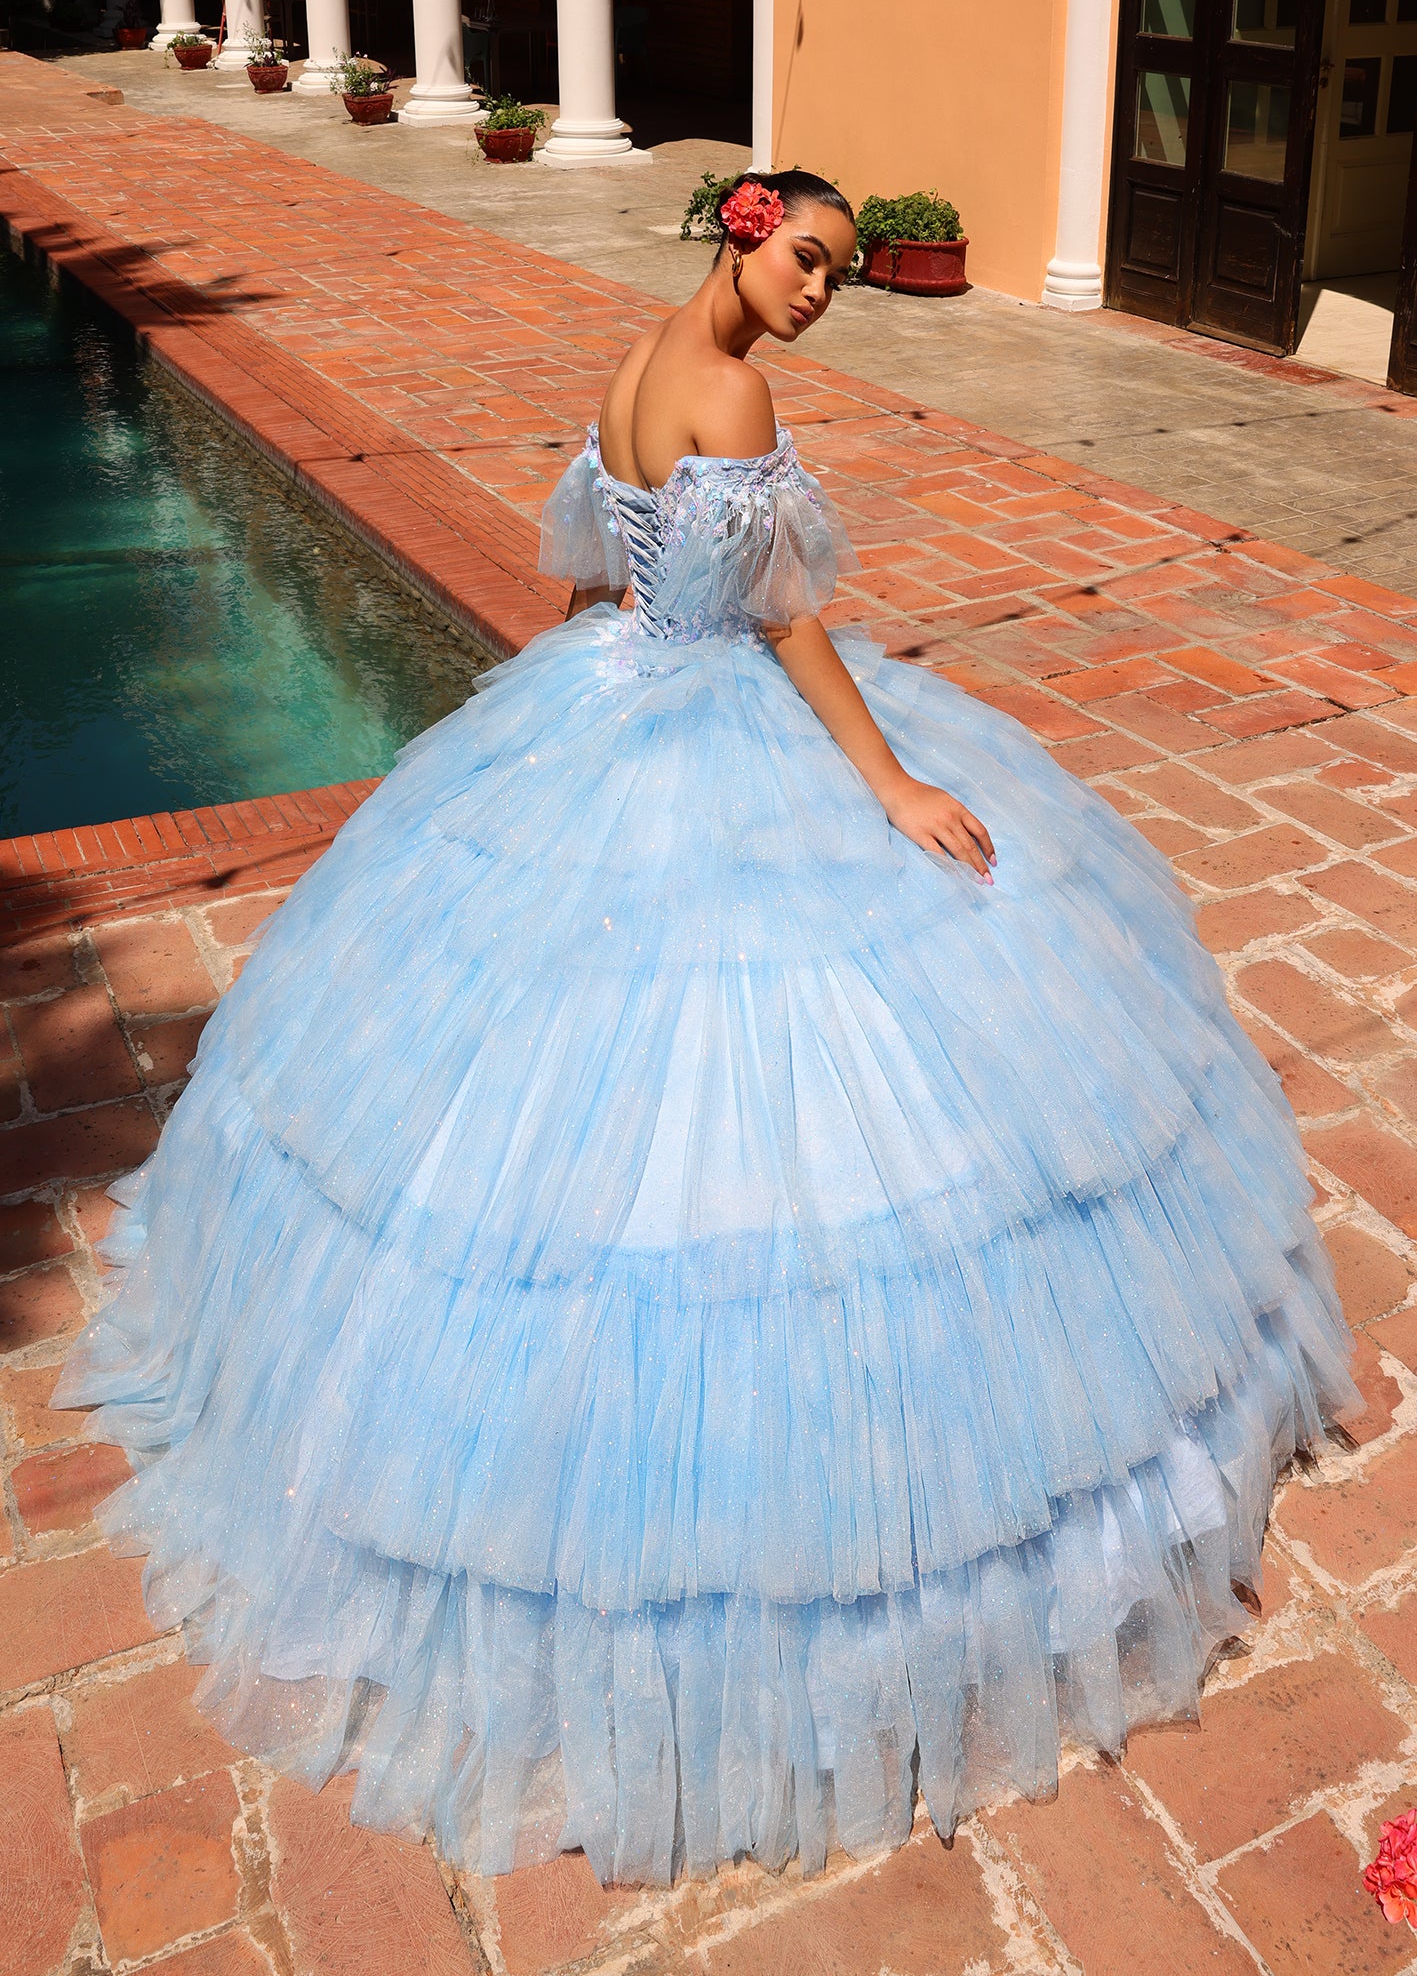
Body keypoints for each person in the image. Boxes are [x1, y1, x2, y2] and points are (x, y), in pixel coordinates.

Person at [57, 169, 1358, 1889]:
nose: (820, 289)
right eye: (802, 256)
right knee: (810, 1048)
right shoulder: (731, 384)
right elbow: (780, 616)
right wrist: (883, 773)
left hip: (609, 690)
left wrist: (572, 705)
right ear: (741, 237)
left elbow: (606, 577)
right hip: (711, 711)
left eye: (838, 271)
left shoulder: (640, 355)